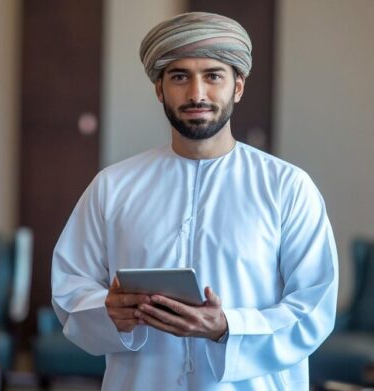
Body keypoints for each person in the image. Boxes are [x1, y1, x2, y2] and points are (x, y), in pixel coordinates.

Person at [51, 12, 338, 390]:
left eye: (213, 75)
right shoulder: (113, 186)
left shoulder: (287, 187)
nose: (196, 94)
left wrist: (228, 328)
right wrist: (109, 312)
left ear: (238, 86)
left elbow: (313, 308)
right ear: (159, 89)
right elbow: (70, 289)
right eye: (180, 76)